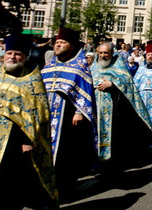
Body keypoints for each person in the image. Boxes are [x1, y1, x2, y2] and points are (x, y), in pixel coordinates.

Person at [0, 34, 57, 208]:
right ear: (3, 55)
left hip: (14, 142)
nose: (12, 57)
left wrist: (28, 141)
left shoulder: (32, 81)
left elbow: (38, 115)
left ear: (25, 56)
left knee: (9, 182)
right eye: (9, 53)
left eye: (17, 54)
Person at [41, 27, 97, 198]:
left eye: (62, 43)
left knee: (65, 153)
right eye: (57, 43)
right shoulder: (51, 65)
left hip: (67, 117)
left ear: (71, 46)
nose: (57, 46)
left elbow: (85, 90)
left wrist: (80, 112)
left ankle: (64, 187)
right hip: (47, 116)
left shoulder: (79, 66)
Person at [91, 42, 152, 168]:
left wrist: (113, 85)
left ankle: (113, 165)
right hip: (96, 111)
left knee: (115, 139)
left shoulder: (119, 66)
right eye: (100, 53)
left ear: (112, 53)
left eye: (106, 53)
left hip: (115, 112)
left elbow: (128, 84)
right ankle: (97, 162)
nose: (103, 55)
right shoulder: (93, 67)